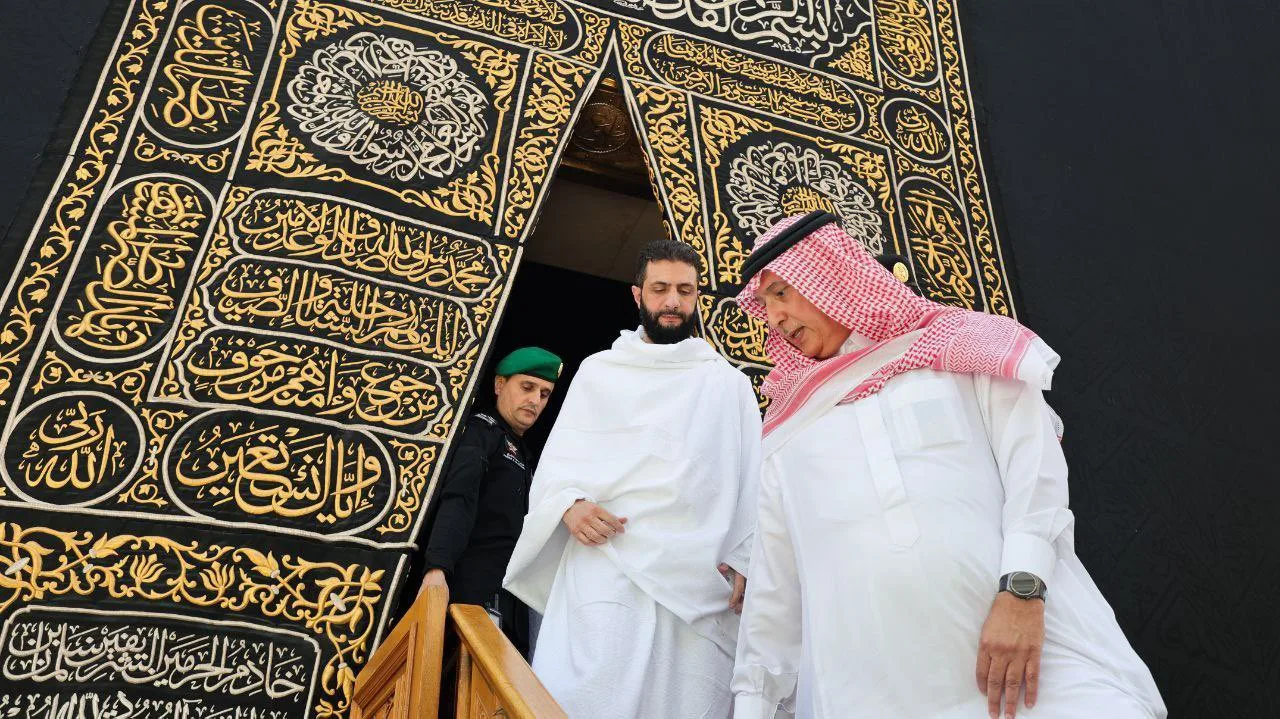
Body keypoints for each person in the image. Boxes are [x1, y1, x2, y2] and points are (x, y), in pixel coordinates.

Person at [730, 211, 1166, 719]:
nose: (774, 317)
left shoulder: (964, 351)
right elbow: (775, 591)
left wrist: (1022, 593)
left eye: (781, 292)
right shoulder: (787, 428)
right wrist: (753, 705)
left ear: (829, 275)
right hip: (874, 694)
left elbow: (1036, 478)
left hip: (1023, 661)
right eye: (763, 304)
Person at [503, 240, 762, 718]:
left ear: (697, 297)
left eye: (685, 291)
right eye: (660, 288)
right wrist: (570, 505)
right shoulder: (598, 372)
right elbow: (558, 466)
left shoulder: (728, 384)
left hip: (699, 583)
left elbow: (752, 477)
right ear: (636, 294)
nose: (672, 302)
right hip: (606, 567)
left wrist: (747, 554)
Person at [416, 346, 562, 656]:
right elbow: (459, 497)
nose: (535, 400)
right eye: (527, 387)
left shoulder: (524, 452)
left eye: (545, 394)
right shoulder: (480, 432)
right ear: (499, 385)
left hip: (508, 603)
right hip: (469, 599)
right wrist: (437, 569)